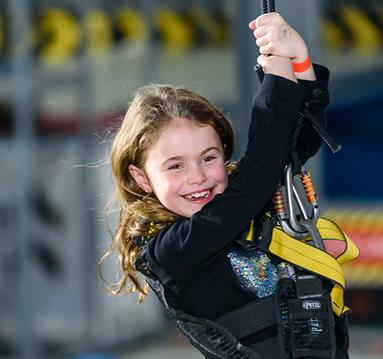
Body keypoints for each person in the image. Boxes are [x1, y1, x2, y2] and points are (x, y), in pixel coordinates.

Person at [103, 12, 350, 359]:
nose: (198, 177)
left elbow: (293, 146)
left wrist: (299, 62)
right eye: (175, 166)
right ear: (141, 178)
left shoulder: (238, 201)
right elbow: (259, 174)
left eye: (208, 158)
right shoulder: (170, 253)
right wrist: (277, 71)